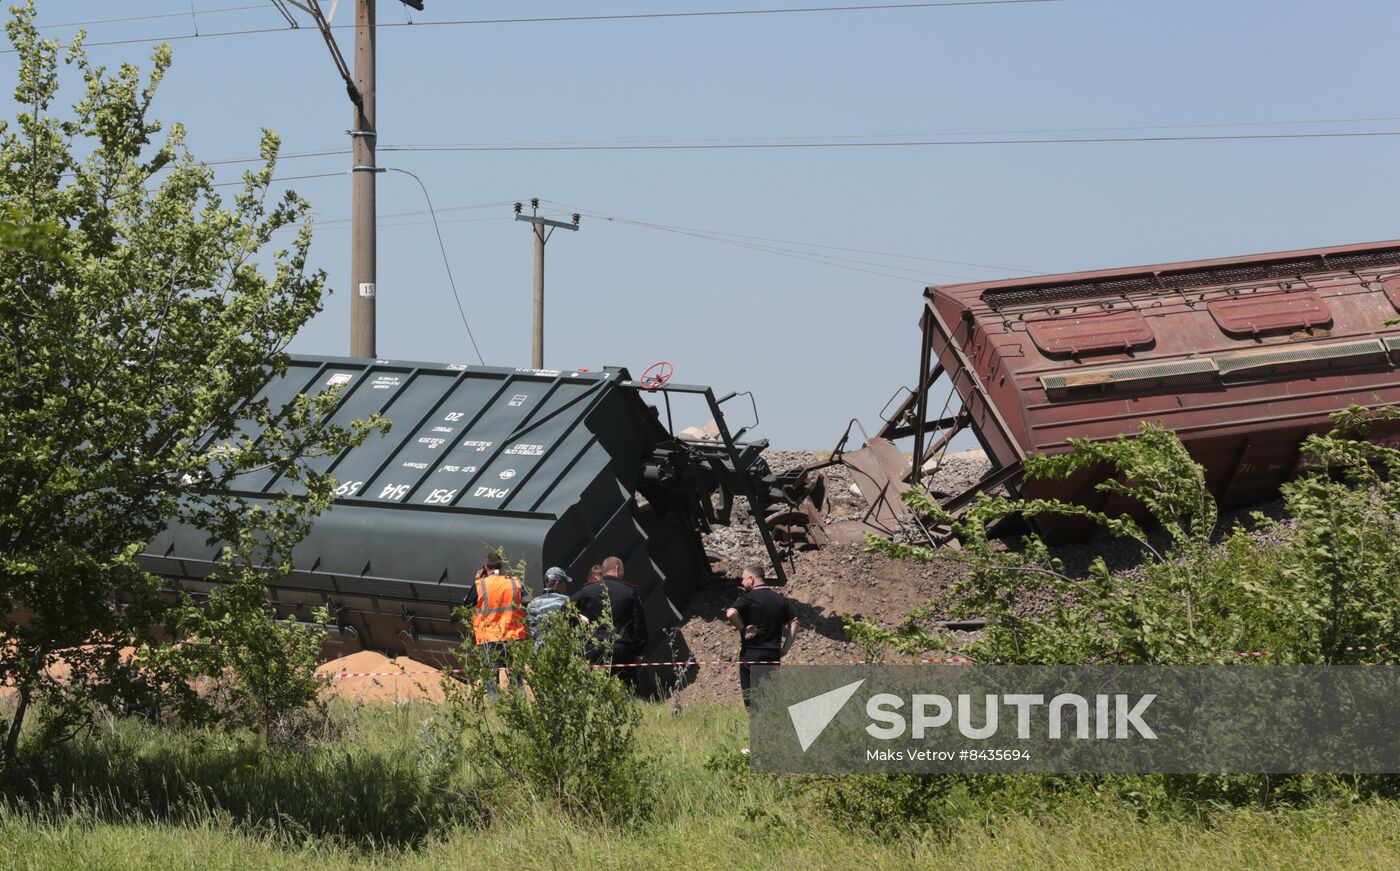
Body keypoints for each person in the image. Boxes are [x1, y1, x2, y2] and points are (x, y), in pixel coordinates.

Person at [725, 563, 797, 709]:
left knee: (752, 699)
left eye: (743, 579)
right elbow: (794, 622)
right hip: (772, 655)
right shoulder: (780, 599)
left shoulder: (747, 598)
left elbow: (730, 613)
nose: (742, 582)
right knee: (770, 696)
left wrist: (743, 629)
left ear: (751, 579)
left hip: (751, 654)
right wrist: (785, 648)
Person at [570, 555, 648, 686]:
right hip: (622, 649)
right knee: (627, 691)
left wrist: (578, 631)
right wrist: (639, 651)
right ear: (617, 569)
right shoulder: (629, 591)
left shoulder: (587, 591)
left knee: (595, 690)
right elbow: (639, 624)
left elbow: (565, 609)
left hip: (594, 648)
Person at [463, 551, 527, 693]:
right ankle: (521, 708)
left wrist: (477, 580)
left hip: (489, 638)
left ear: (485, 566)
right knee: (516, 679)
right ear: (501, 566)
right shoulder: (515, 582)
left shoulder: (480, 585)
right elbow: (527, 603)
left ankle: (494, 709)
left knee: (491, 680)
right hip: (514, 637)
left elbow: (466, 604)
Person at [527, 566, 573, 648]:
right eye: (564, 582)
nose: (565, 586)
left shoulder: (532, 603)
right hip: (560, 651)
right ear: (557, 583)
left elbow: (530, 630)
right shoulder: (566, 601)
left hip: (537, 653)